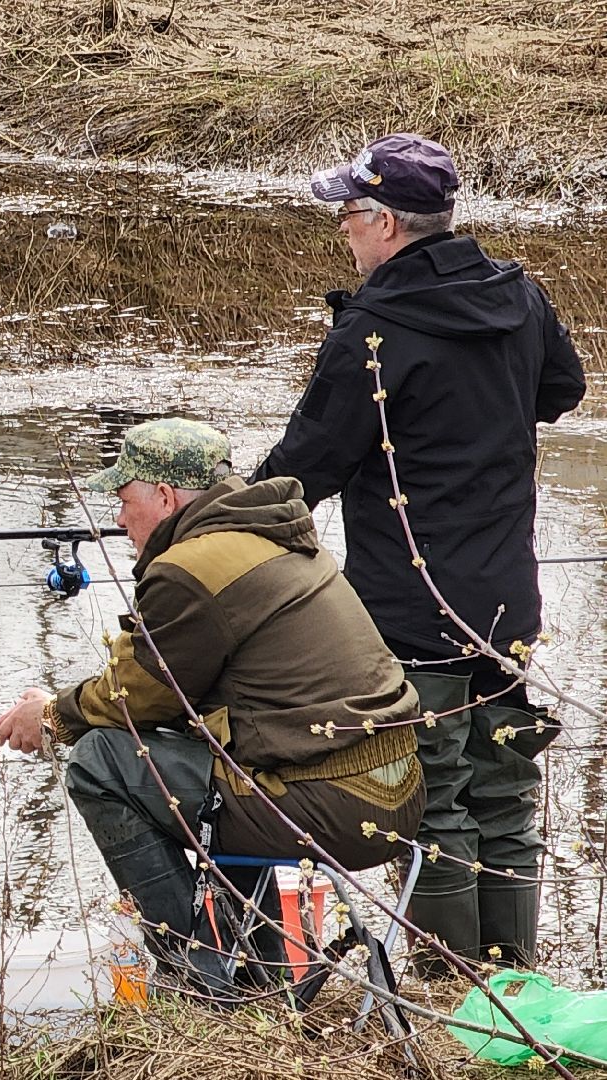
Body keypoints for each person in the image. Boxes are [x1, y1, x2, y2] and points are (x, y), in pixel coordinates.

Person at [251, 134, 585, 969]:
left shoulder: (376, 327)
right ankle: (511, 977)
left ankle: (451, 984)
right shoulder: (521, 295)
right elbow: (563, 390)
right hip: (506, 598)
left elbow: (307, 466)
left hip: (408, 601)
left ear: (388, 224)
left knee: (431, 795)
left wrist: (223, 527)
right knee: (504, 788)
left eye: (349, 216)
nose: (343, 233)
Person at [0, 418, 424, 989]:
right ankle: (260, 977)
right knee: (198, 761)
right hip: (394, 792)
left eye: (125, 500)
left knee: (100, 760)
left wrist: (51, 716)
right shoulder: (273, 536)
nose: (119, 519)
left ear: (166, 497)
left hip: (329, 806)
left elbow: (135, 696)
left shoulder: (192, 569)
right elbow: (177, 690)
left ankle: (200, 978)